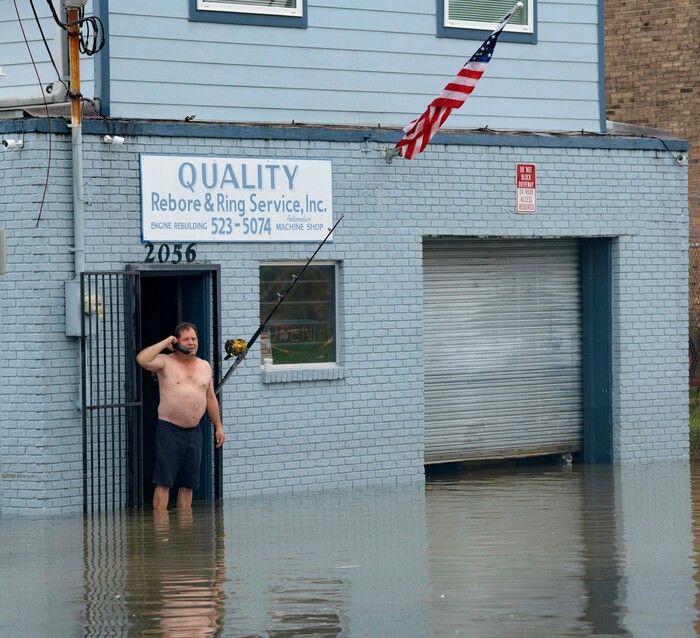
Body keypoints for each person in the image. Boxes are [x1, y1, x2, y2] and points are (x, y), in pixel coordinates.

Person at [136, 322, 224, 510]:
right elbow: (142, 359)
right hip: (170, 430)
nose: (191, 343)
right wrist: (165, 342)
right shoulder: (165, 361)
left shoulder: (205, 366)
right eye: (186, 339)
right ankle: (160, 533)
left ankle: (184, 534)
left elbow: (210, 397)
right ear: (177, 341)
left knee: (189, 484)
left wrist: (218, 425)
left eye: (194, 339)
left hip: (195, 433)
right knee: (164, 482)